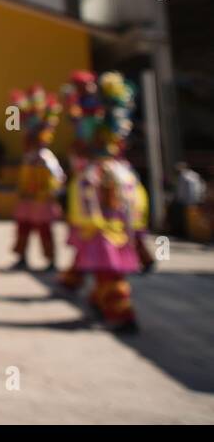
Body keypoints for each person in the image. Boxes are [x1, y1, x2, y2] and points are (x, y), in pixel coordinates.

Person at [60, 72, 149, 332]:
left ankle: (120, 311)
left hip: (102, 209)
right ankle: (98, 298)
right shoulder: (117, 170)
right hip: (111, 202)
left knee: (105, 260)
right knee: (101, 257)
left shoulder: (96, 175)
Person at [9, 85, 66, 271]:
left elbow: (58, 179)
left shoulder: (46, 159)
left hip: (42, 201)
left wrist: (48, 194)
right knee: (23, 228)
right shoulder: (28, 158)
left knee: (44, 230)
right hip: (27, 199)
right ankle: (22, 257)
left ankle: (50, 259)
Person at [172, 162, 207, 239]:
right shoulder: (192, 175)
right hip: (189, 201)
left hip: (187, 202)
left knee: (186, 219)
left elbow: (190, 190)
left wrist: (192, 201)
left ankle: (186, 233)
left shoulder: (186, 177)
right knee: (187, 219)